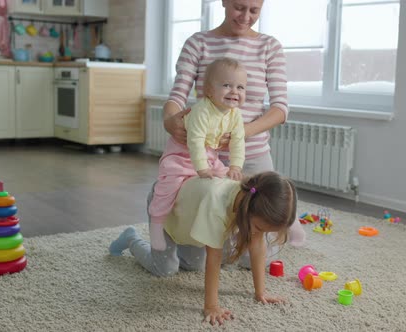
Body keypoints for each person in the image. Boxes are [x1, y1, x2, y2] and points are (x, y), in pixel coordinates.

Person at [162, 0, 306, 249]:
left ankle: (290, 224)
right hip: (205, 159)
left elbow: (280, 109)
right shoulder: (198, 43)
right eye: (239, 7)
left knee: (252, 254)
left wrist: (240, 133)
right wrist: (169, 121)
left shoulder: (268, 46)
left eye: (254, 10)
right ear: (224, 2)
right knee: (207, 242)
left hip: (252, 155)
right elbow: (176, 97)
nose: (246, 16)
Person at [109, 171, 297, 325]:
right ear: (248, 210)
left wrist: (260, 292)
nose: (259, 234)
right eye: (260, 228)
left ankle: (177, 245)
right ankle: (131, 238)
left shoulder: (248, 202)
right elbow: (213, 258)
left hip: (190, 218)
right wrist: (211, 306)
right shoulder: (216, 205)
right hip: (165, 205)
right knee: (165, 269)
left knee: (194, 265)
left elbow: (257, 245)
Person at [148, 58, 248, 251]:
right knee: (170, 185)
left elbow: (238, 141)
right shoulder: (202, 111)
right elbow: (194, 141)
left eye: (241, 87)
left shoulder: (235, 114)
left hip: (209, 156)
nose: (234, 91)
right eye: (227, 85)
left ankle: (231, 226)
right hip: (181, 155)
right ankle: (157, 222)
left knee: (230, 182)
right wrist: (201, 169)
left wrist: (236, 166)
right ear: (209, 91)